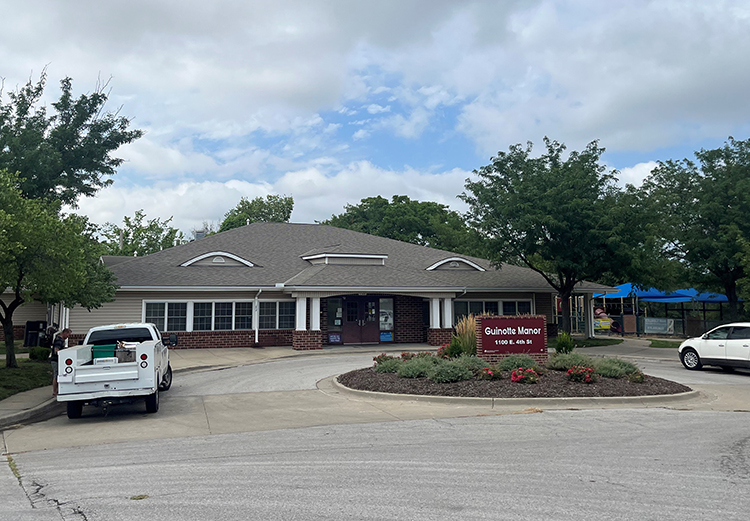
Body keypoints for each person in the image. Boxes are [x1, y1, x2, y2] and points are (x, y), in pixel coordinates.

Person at [51, 328, 72, 398]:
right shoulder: (59, 340)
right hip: (55, 360)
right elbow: (56, 350)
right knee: (56, 375)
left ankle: (57, 390)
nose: (68, 337)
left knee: (59, 375)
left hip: (59, 360)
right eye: (68, 335)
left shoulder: (61, 340)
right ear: (64, 333)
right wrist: (62, 354)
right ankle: (54, 391)